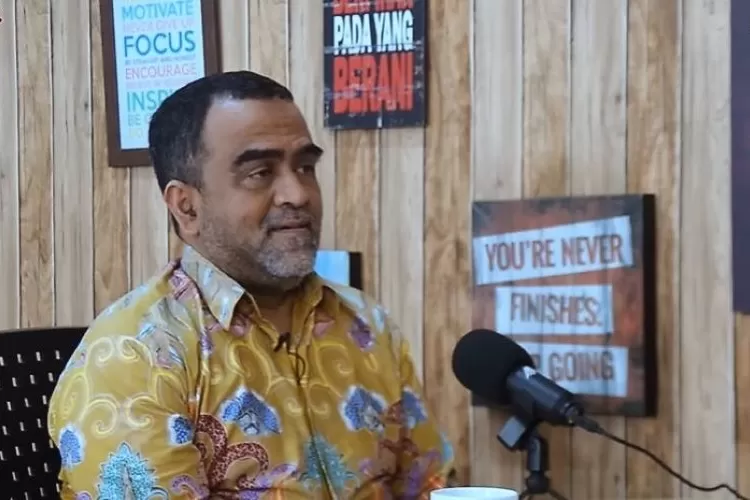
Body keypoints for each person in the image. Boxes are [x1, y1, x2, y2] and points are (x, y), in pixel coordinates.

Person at [47, 70, 454, 499]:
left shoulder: (366, 325)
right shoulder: (133, 357)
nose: (298, 194)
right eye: (260, 172)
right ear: (187, 207)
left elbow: (431, 485)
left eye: (305, 167)